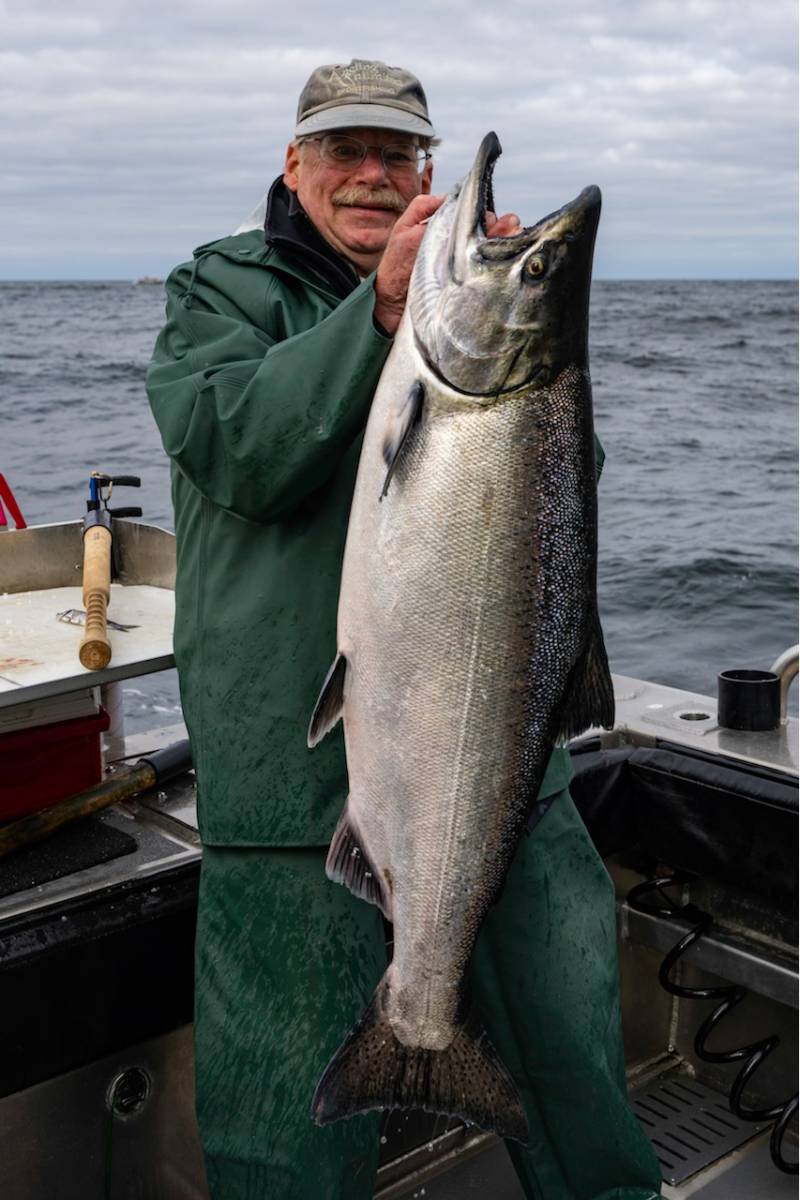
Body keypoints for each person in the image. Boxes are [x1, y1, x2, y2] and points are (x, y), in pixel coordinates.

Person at [147, 58, 662, 1200]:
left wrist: (513, 341)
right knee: (285, 1151)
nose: (373, 175)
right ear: (294, 165)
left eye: (398, 154)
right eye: (345, 152)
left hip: (503, 779)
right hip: (292, 794)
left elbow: (556, 509)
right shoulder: (214, 295)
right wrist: (378, 313)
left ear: (426, 170)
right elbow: (238, 449)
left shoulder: (460, 308)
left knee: (583, 1097)